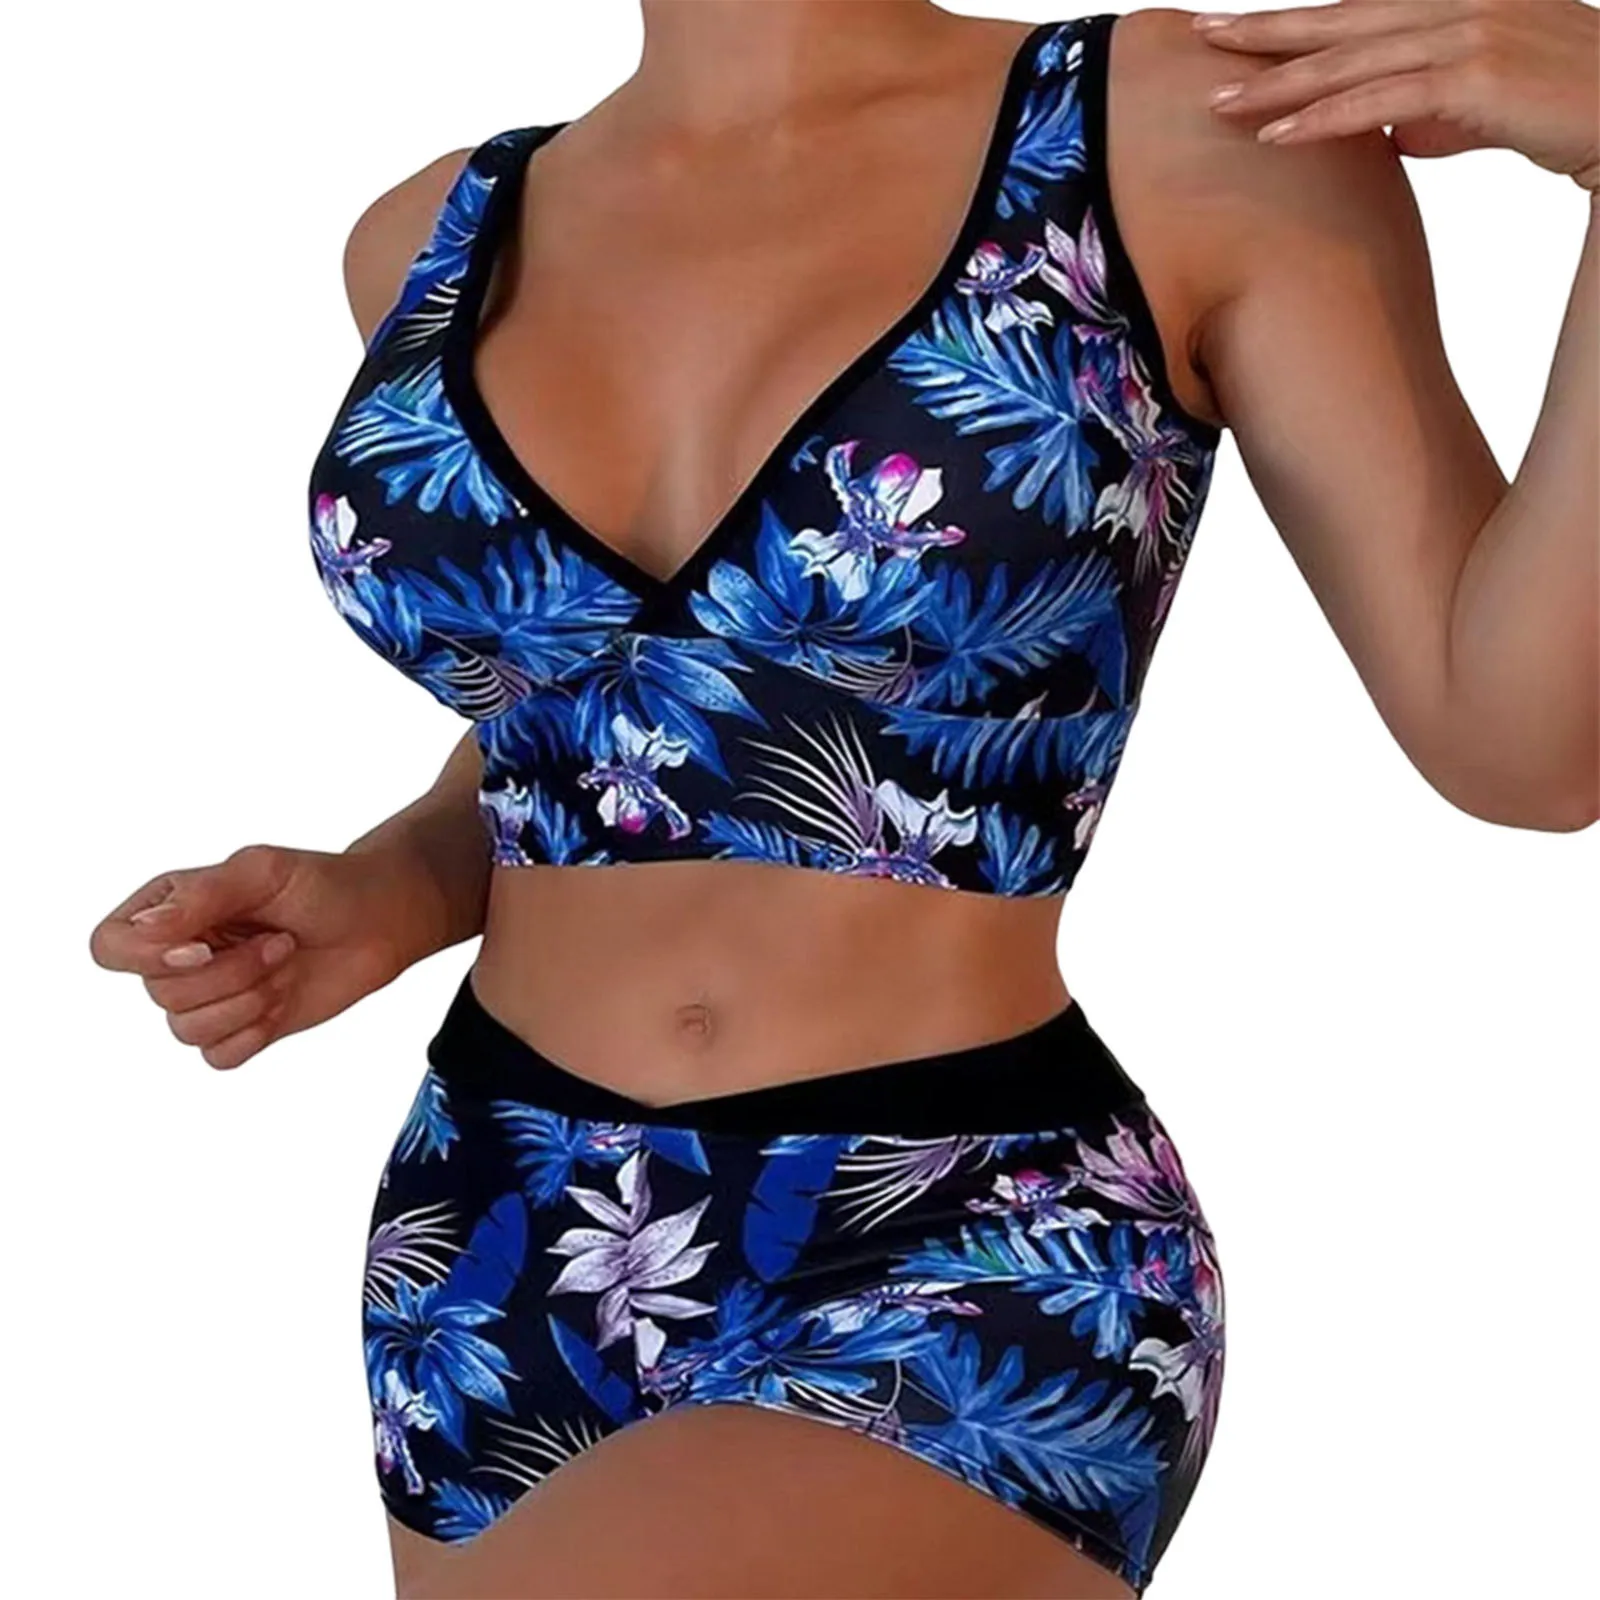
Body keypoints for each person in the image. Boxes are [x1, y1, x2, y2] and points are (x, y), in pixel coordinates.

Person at [88, 2, 1596, 1596]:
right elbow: (622, 711)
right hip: (488, 1228)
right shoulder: (433, 236)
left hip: (963, 1233)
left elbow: (1522, 745)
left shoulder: (1165, 133)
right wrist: (395, 881)